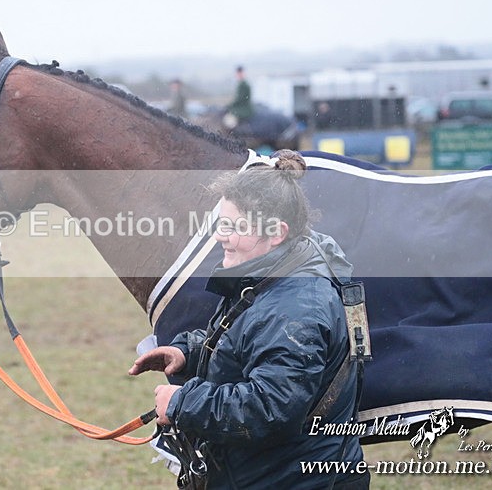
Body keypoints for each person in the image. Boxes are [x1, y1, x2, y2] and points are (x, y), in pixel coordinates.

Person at [129, 150, 368, 489]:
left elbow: (270, 408)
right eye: (221, 223)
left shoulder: (296, 308)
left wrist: (182, 403)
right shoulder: (275, 274)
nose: (220, 236)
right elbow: (249, 341)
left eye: (236, 226)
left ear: (276, 233)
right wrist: (188, 352)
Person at [224, 65, 254, 129]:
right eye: (238, 73)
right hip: (242, 106)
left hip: (243, 108)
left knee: (229, 120)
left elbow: (239, 99)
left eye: (240, 73)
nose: (239, 75)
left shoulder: (243, 84)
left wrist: (230, 105)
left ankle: (234, 133)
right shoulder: (241, 83)